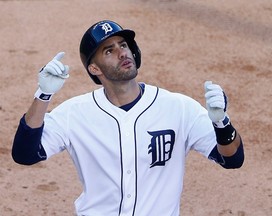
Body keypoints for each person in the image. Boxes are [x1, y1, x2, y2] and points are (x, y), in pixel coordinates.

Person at [12, 20, 244, 216]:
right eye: (109, 50)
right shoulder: (75, 113)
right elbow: (25, 154)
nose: (122, 52)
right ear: (94, 69)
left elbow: (233, 159)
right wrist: (43, 95)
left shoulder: (178, 107)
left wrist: (221, 123)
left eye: (123, 45)